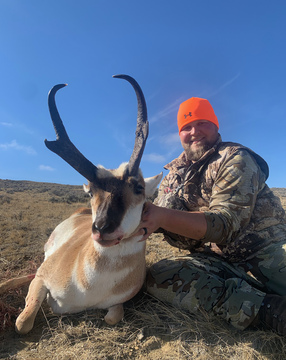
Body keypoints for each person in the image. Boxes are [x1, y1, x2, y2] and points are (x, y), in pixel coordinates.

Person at [138, 97, 286, 335]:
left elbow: (227, 225)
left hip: (268, 251)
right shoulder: (173, 176)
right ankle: (268, 310)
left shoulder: (235, 157)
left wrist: (161, 217)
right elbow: (156, 218)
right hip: (219, 261)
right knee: (159, 275)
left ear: (216, 126)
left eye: (203, 123)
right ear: (179, 134)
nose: (194, 132)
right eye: (186, 127)